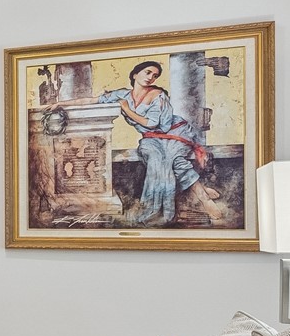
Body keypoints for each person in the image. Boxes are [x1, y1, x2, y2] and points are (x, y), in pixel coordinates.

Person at [93, 60, 225, 226]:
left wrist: (126, 110)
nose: (151, 78)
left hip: (175, 132)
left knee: (174, 160)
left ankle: (205, 200)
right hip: (151, 137)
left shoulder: (157, 95)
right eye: (147, 72)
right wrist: (59, 104)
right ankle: (166, 204)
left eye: (155, 76)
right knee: (156, 158)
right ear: (135, 74)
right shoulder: (122, 95)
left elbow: (152, 123)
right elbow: (95, 100)